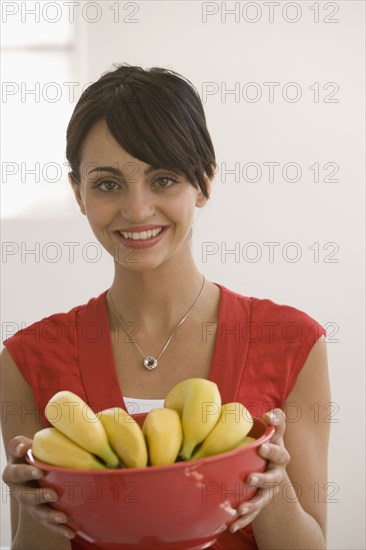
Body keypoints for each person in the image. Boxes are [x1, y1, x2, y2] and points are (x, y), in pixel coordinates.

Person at [1, 64, 330, 550]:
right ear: (79, 194)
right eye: (108, 184)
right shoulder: (27, 358)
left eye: (164, 179)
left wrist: (273, 488)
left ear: (204, 183)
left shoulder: (293, 342)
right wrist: (36, 510)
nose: (136, 210)